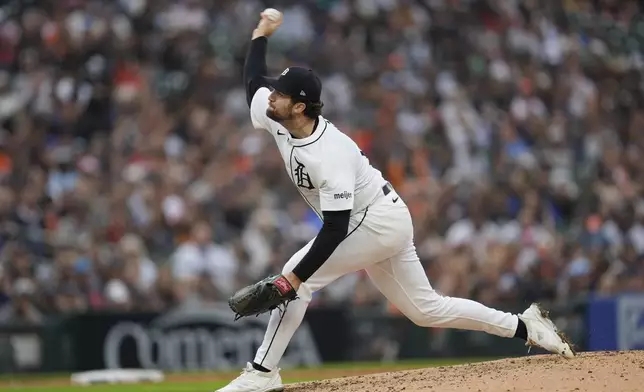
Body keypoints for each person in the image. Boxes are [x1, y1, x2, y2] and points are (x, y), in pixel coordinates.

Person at [216, 9, 575, 392]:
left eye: (281, 94)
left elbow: (336, 229)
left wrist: (293, 280)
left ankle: (262, 373)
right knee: (426, 310)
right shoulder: (277, 115)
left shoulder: (331, 153)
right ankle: (525, 325)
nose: (271, 96)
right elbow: (253, 79)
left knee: (296, 277)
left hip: (374, 221)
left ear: (300, 107)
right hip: (380, 216)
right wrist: (260, 34)